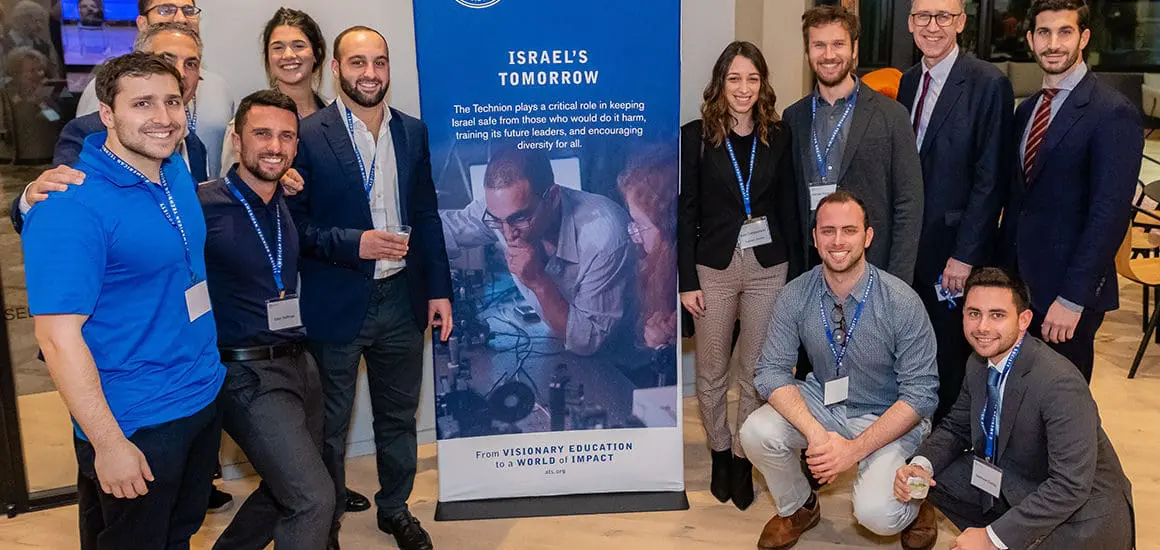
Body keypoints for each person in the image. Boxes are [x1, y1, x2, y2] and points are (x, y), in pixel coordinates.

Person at [22, 51, 224, 549]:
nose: (162, 117)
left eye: (172, 101)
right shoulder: (70, 204)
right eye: (142, 103)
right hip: (135, 419)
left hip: (199, 395)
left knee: (179, 534)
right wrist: (109, 444)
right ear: (107, 114)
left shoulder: (175, 168)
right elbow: (55, 336)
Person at [288, 26, 453, 550]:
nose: (370, 74)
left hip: (402, 300)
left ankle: (395, 509)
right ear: (335, 69)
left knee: (398, 419)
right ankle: (326, 520)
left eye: (379, 62)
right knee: (329, 429)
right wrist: (352, 243)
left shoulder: (412, 132)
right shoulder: (306, 134)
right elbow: (293, 226)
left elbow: (427, 216)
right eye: (357, 63)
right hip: (336, 302)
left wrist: (439, 290)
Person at [739, 191, 938, 549]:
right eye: (828, 231)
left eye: (849, 230)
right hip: (824, 402)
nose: (838, 241)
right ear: (815, 238)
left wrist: (852, 450)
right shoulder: (795, 294)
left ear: (868, 236)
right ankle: (799, 507)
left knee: (878, 515)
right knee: (755, 431)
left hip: (888, 413)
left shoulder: (901, 301)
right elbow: (770, 372)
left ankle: (917, 502)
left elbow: (921, 394)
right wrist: (817, 436)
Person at [893, 267, 1134, 550]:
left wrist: (993, 537)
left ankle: (1002, 536)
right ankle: (1005, 533)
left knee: (998, 534)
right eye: (973, 313)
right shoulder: (978, 363)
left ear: (1024, 320)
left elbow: (1070, 486)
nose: (982, 327)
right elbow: (956, 428)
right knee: (937, 475)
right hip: (1019, 479)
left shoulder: (1060, 383)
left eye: (997, 315)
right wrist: (921, 466)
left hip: (1082, 518)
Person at [203, 90, 334, 550]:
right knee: (314, 499)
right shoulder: (202, 204)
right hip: (245, 374)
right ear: (237, 141)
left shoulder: (282, 201)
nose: (274, 146)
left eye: (286, 136)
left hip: (299, 364)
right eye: (261, 134)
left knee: (287, 491)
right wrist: (28, 203)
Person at [677, 40, 804, 511]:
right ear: (720, 83)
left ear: (763, 84)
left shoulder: (780, 135)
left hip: (770, 269)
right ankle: (719, 451)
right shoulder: (695, 137)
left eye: (752, 78)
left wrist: (797, 274)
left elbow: (789, 207)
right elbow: (685, 210)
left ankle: (746, 458)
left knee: (755, 371)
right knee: (711, 371)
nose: (744, 88)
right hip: (712, 267)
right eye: (734, 78)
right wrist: (686, 279)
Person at [996, 0, 1143, 382]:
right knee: (1020, 405)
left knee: (1062, 413)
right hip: (1019, 291)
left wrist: (1073, 298)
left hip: (1066, 298)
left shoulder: (1112, 112)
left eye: (1065, 32)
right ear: (1030, 39)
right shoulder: (1026, 111)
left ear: (1084, 37)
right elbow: (1020, 204)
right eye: (1044, 33)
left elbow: (1108, 217)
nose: (1054, 43)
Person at [898, 0, 1013, 422]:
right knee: (914, 356)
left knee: (951, 363)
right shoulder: (909, 82)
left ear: (961, 22)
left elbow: (991, 180)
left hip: (953, 256)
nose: (933, 26)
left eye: (943, 16)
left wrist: (965, 255)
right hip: (911, 251)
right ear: (911, 23)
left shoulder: (988, 84)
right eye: (924, 16)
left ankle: (946, 461)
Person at [440, 146, 634, 357]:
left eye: (519, 218)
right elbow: (443, 230)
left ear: (552, 197)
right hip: (561, 342)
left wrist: (538, 281)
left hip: (620, 359)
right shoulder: (502, 209)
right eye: (497, 221)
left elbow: (586, 340)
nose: (508, 233)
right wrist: (400, 234)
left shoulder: (605, 236)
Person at [783, 5, 923, 285]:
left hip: (874, 267)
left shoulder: (892, 115)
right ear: (808, 51)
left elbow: (909, 201)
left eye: (838, 44)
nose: (829, 55)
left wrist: (898, 282)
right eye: (819, 45)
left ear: (854, 48)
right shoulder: (793, 117)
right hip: (812, 267)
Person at [73, 0, 234, 177]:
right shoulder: (109, 88)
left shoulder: (217, 92)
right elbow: (71, 174)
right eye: (166, 9)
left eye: (188, 10)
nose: (180, 18)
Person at [218, 7, 330, 176]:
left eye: (298, 46)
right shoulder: (244, 123)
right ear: (268, 58)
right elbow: (230, 190)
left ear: (316, 54)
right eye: (278, 48)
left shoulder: (337, 116)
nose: (288, 55)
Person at [617, 145, 680, 384]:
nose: (635, 235)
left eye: (640, 224)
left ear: (668, 225)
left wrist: (663, 347)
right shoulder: (655, 264)